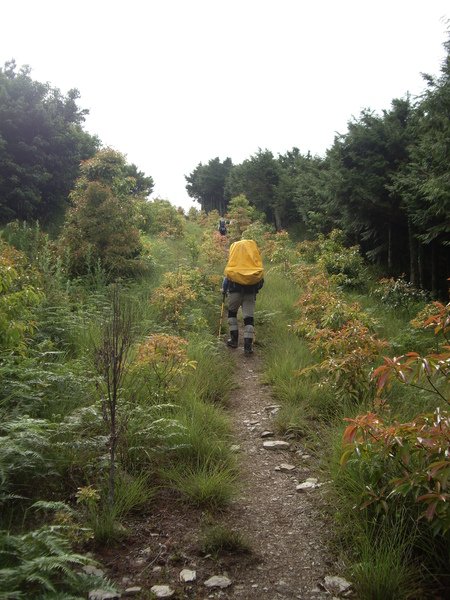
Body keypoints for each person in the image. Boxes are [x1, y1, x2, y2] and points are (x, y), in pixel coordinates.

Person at [221, 239, 264, 356]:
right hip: (250, 293)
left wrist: (224, 290)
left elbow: (227, 279)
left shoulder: (234, 260)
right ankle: (247, 347)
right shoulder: (254, 263)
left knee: (232, 313)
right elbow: (261, 282)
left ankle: (234, 341)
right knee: (249, 318)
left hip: (234, 291)